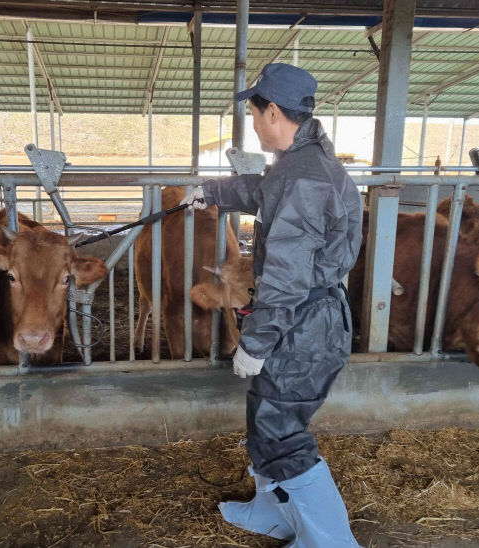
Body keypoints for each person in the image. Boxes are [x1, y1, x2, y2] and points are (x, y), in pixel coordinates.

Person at [181, 63, 363, 547]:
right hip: (300, 318)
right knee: (265, 414)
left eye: (254, 111)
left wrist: (257, 340)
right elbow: (262, 192)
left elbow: (286, 273)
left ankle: (331, 541)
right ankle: (273, 512)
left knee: (282, 431)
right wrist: (212, 191)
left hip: (304, 323)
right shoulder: (299, 163)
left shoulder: (305, 178)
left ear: (274, 112)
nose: (253, 121)